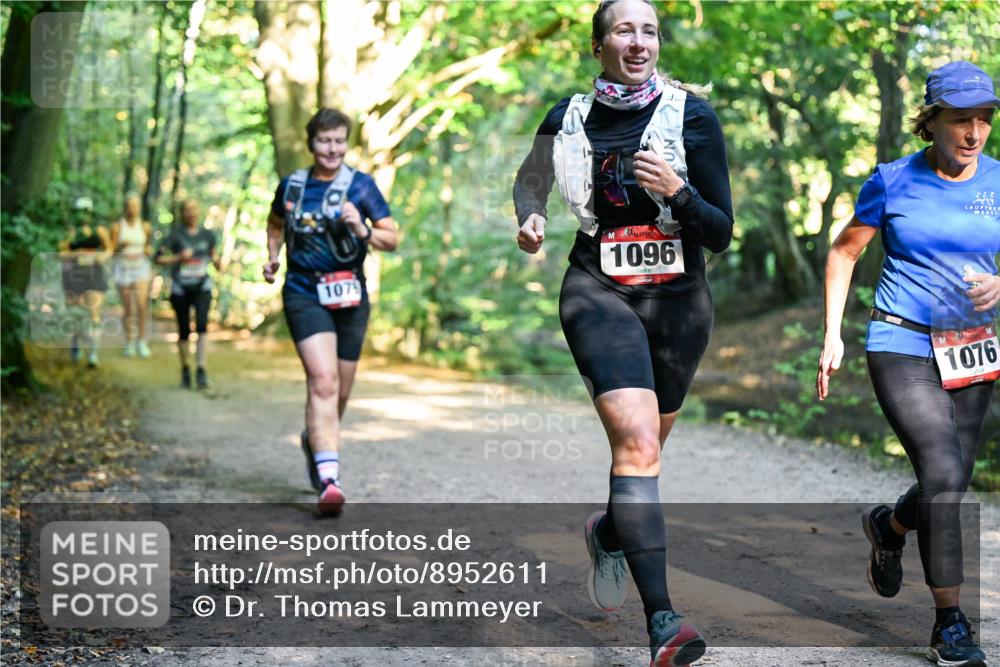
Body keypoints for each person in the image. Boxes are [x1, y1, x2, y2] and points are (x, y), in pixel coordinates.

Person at [512, 1, 733, 664]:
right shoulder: (569, 116)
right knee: (636, 447)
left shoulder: (691, 115)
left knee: (644, 456)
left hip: (679, 303)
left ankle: (611, 530)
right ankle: (662, 620)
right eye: (623, 30)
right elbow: (531, 179)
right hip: (597, 289)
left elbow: (720, 232)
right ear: (599, 44)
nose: (638, 42)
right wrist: (531, 218)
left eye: (649, 30)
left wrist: (679, 191)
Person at [817, 61, 999, 667]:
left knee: (949, 477)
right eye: (960, 120)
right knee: (945, 473)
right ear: (931, 122)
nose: (973, 133)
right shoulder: (892, 182)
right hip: (901, 343)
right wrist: (832, 334)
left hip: (972, 347)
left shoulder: (999, 182)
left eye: (984, 120)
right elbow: (844, 253)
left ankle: (890, 528)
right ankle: (949, 622)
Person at [263, 108, 398, 517]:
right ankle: (329, 480)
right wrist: (272, 257)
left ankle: (316, 441)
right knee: (321, 382)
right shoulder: (292, 186)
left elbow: (391, 238)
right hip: (304, 291)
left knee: (338, 391)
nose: (332, 148)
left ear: (346, 143)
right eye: (325, 141)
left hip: (350, 296)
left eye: (339, 140)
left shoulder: (361, 186)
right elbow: (274, 225)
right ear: (312, 143)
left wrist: (363, 229)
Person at [155, 199, 221, 389]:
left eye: (194, 209)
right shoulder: (175, 236)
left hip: (202, 286)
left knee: (202, 326)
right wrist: (178, 258)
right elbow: (158, 258)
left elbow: (214, 256)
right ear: (182, 213)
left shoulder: (208, 235)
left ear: (198, 211)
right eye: (187, 210)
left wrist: (217, 262)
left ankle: (201, 370)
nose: (191, 213)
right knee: (184, 330)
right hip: (180, 288)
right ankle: (185, 369)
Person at [59, 196, 112, 368]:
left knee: (94, 314)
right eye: (81, 212)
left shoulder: (100, 231)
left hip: (95, 276)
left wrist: (100, 257)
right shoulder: (70, 233)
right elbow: (61, 254)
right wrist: (79, 254)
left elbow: (109, 249)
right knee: (76, 314)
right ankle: (76, 343)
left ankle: (93, 354)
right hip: (74, 277)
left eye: (87, 211)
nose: (84, 215)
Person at [111, 193, 154, 358]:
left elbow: (148, 248)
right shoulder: (117, 227)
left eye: (135, 206)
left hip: (141, 269)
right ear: (125, 207)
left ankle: (141, 342)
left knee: (141, 305)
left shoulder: (145, 227)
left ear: (139, 208)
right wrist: (121, 246)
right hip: (123, 269)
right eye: (129, 205)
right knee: (128, 307)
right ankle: (129, 342)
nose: (132, 209)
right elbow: (112, 251)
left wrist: (147, 250)